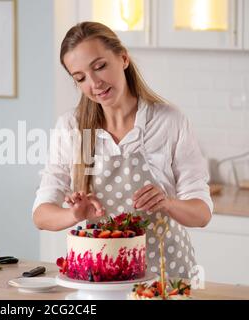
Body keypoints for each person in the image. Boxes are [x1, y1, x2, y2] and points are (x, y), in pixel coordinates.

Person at [32, 22, 212, 279]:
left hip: (166, 274)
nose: (94, 83)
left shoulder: (168, 121)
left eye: (100, 66)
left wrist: (168, 203)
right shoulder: (71, 128)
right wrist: (73, 214)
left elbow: (202, 213)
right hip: (103, 280)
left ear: (123, 58)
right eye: (80, 78)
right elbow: (41, 214)